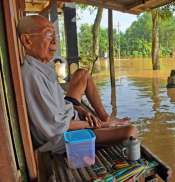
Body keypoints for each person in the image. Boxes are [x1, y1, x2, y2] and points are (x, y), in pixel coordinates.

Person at [17, 15, 137, 154]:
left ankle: (105, 116)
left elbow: (58, 104)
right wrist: (101, 125)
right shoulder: (31, 75)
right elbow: (58, 127)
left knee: (82, 74)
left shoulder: (42, 66)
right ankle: (105, 122)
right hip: (63, 138)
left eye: (55, 34)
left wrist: (82, 110)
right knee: (130, 131)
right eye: (49, 34)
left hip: (68, 115)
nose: (55, 41)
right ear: (27, 40)